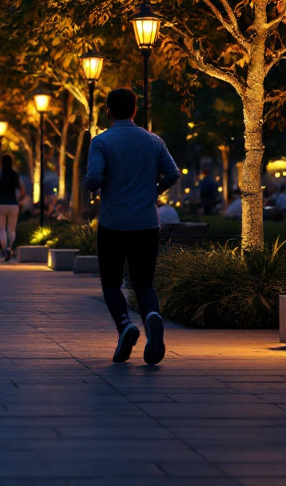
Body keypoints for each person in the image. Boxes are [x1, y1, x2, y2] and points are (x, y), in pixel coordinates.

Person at [84, 88, 180, 366]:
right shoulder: (153, 141)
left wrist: (95, 185)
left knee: (112, 282)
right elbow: (172, 172)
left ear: (108, 111)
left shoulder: (101, 141)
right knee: (144, 283)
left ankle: (125, 325)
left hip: (113, 221)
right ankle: (152, 318)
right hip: (147, 222)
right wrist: (154, 192)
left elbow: (94, 177)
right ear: (136, 110)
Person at [0, 155, 25, 262]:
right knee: (11, 229)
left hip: (1, 203)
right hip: (13, 204)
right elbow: (22, 191)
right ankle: (10, 247)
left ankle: (5, 249)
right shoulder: (16, 175)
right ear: (12, 163)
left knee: (1, 230)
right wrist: (17, 198)